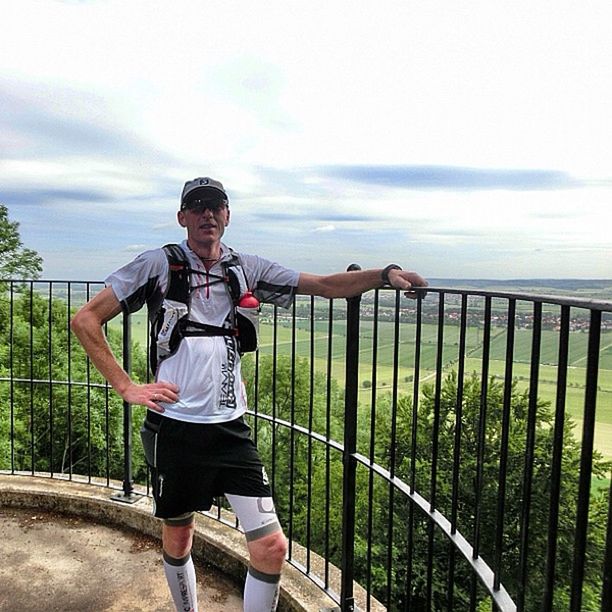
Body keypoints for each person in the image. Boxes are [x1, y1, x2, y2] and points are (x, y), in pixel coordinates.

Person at [70, 176, 428, 612]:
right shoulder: (158, 265)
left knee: (272, 547)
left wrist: (385, 275)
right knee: (179, 536)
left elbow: (326, 285)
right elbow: (86, 319)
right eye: (197, 206)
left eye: (216, 206)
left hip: (230, 430)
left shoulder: (247, 268)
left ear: (227, 216)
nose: (207, 213)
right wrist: (125, 386)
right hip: (174, 426)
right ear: (182, 217)